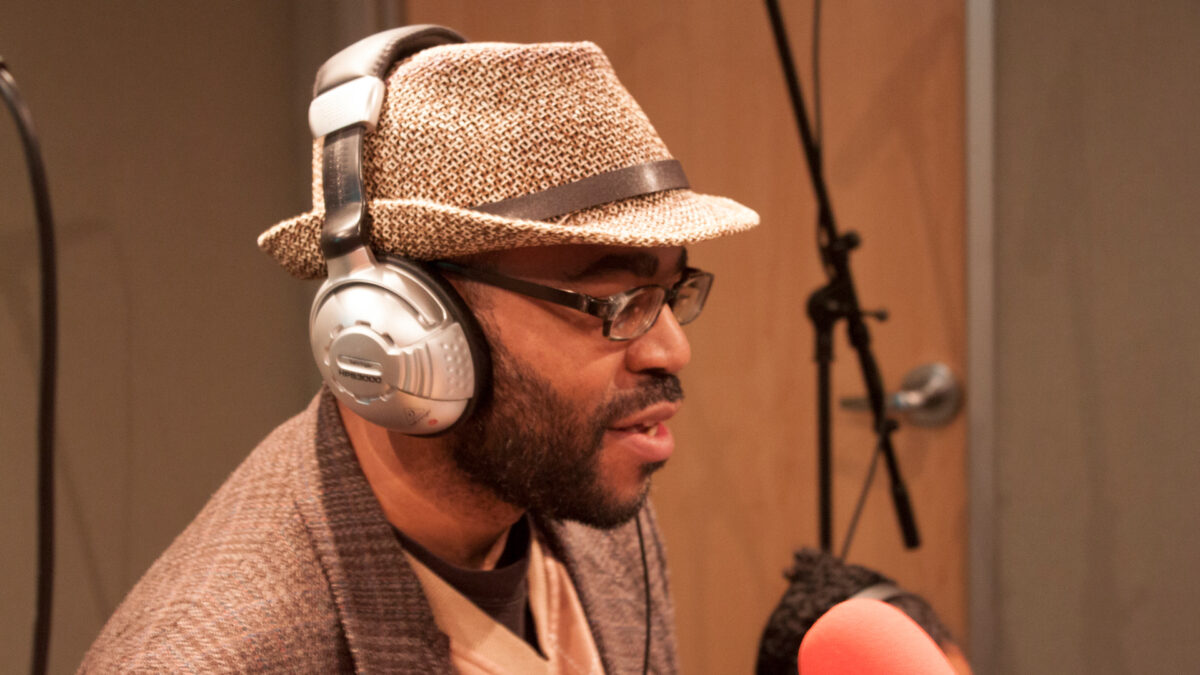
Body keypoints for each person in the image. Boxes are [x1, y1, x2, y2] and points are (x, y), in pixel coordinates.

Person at [80, 26, 758, 673]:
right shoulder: (209, 657)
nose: (671, 350)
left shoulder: (586, 502)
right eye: (615, 300)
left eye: (669, 293)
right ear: (399, 322)